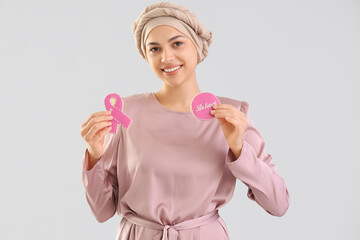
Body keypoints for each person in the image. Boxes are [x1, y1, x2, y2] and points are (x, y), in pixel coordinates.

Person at [80, 2, 290, 240]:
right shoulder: (126, 113)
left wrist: (239, 149)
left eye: (177, 43)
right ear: (145, 55)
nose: (166, 57)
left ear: (197, 47)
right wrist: (95, 154)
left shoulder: (231, 114)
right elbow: (102, 210)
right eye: (155, 49)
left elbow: (278, 203)